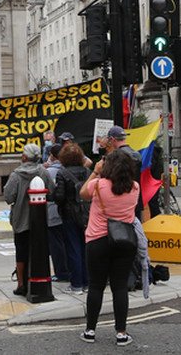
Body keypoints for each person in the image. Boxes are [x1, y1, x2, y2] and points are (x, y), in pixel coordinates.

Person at [78, 149, 140, 346]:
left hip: (97, 239)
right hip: (124, 241)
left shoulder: (98, 185)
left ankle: (90, 330)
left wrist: (95, 172)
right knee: (120, 287)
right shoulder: (135, 187)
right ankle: (121, 333)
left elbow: (82, 194)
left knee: (96, 286)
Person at [2, 143, 54, 297]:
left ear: (24, 157)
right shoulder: (43, 173)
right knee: (40, 250)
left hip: (20, 219)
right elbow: (51, 192)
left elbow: (8, 197)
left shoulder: (16, 175)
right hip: (40, 221)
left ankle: (21, 284)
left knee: (21, 251)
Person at [53, 143, 91, 294]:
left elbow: (59, 197)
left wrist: (51, 195)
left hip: (69, 215)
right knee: (85, 248)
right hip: (87, 215)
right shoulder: (88, 172)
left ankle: (76, 285)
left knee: (73, 249)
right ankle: (87, 282)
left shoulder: (62, 174)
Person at [44, 144, 69, 284]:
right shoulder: (70, 168)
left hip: (53, 212)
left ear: (52, 156)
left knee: (56, 244)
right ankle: (70, 270)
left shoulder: (49, 172)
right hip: (69, 213)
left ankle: (62, 272)